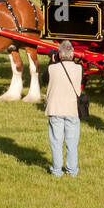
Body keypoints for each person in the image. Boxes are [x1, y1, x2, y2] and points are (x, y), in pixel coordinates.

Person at [44, 40, 82, 177]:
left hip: (55, 108)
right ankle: (72, 170)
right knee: (72, 143)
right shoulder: (79, 69)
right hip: (72, 109)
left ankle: (57, 170)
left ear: (59, 55)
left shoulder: (52, 68)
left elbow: (45, 78)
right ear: (72, 55)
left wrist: (52, 61)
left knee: (56, 141)